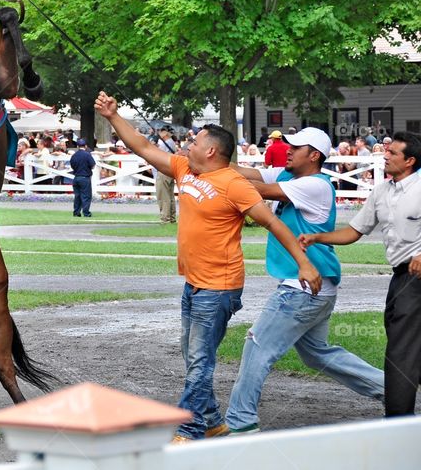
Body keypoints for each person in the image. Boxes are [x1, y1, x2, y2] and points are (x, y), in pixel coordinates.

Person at [94, 91, 321, 442]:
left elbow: (275, 224)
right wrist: (112, 116)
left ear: (212, 150)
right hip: (194, 283)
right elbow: (141, 145)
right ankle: (213, 420)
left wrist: (304, 264)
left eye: (196, 140)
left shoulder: (235, 185)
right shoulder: (185, 168)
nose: (188, 143)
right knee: (192, 356)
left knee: (199, 360)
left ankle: (190, 429)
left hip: (219, 286)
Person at [224, 127, 384, 435]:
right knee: (318, 354)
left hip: (304, 288)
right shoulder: (287, 175)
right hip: (316, 287)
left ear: (313, 156)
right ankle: (395, 391)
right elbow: (242, 172)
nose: (287, 149)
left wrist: (214, 170)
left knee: (257, 346)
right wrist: (210, 159)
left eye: (295, 147)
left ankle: (240, 422)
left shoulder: (315, 185)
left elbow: (255, 190)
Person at [300, 131, 421, 417]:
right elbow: (355, 231)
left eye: (393, 154)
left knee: (401, 352)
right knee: (405, 341)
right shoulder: (381, 191)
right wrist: (318, 238)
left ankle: (397, 422)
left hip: (417, 279)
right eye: (386, 151)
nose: (385, 156)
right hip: (401, 278)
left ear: (410, 161)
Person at [155, 127, 178, 224]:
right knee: (169, 194)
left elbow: (159, 156)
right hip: (169, 170)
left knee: (163, 194)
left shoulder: (167, 143)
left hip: (164, 170)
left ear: (166, 133)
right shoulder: (171, 142)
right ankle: (171, 217)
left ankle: (165, 218)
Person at [69, 138, 96, 217]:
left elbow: (72, 165)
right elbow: (93, 165)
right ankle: (86, 212)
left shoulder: (74, 155)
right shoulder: (87, 154)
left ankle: (76, 212)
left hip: (76, 177)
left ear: (78, 146)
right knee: (86, 196)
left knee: (77, 196)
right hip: (85, 177)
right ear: (85, 146)